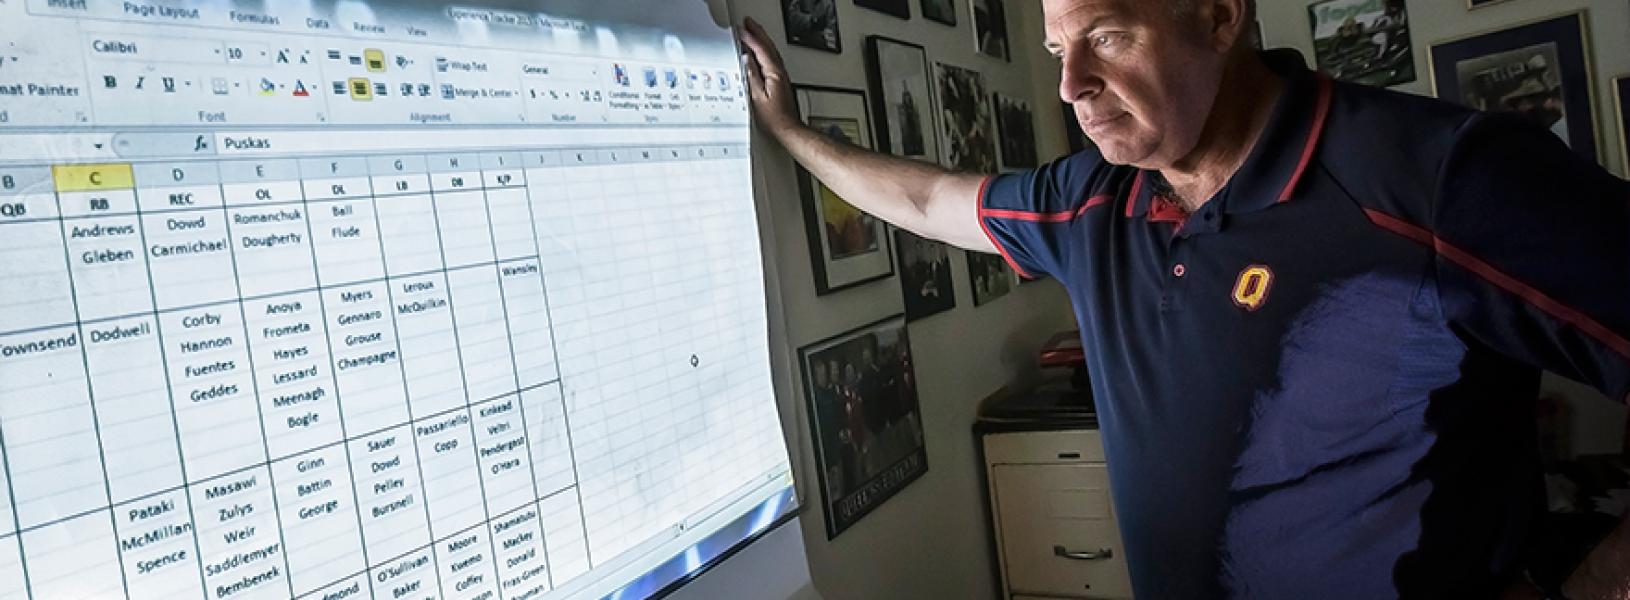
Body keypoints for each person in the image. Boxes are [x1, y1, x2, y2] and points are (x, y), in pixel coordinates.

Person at [736, 0, 1630, 596]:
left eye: (1108, 36)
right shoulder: (1092, 199)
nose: (1069, 85)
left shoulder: (1440, 179)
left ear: (1217, 16)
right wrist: (785, 130)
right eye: (1057, 49)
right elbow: (931, 200)